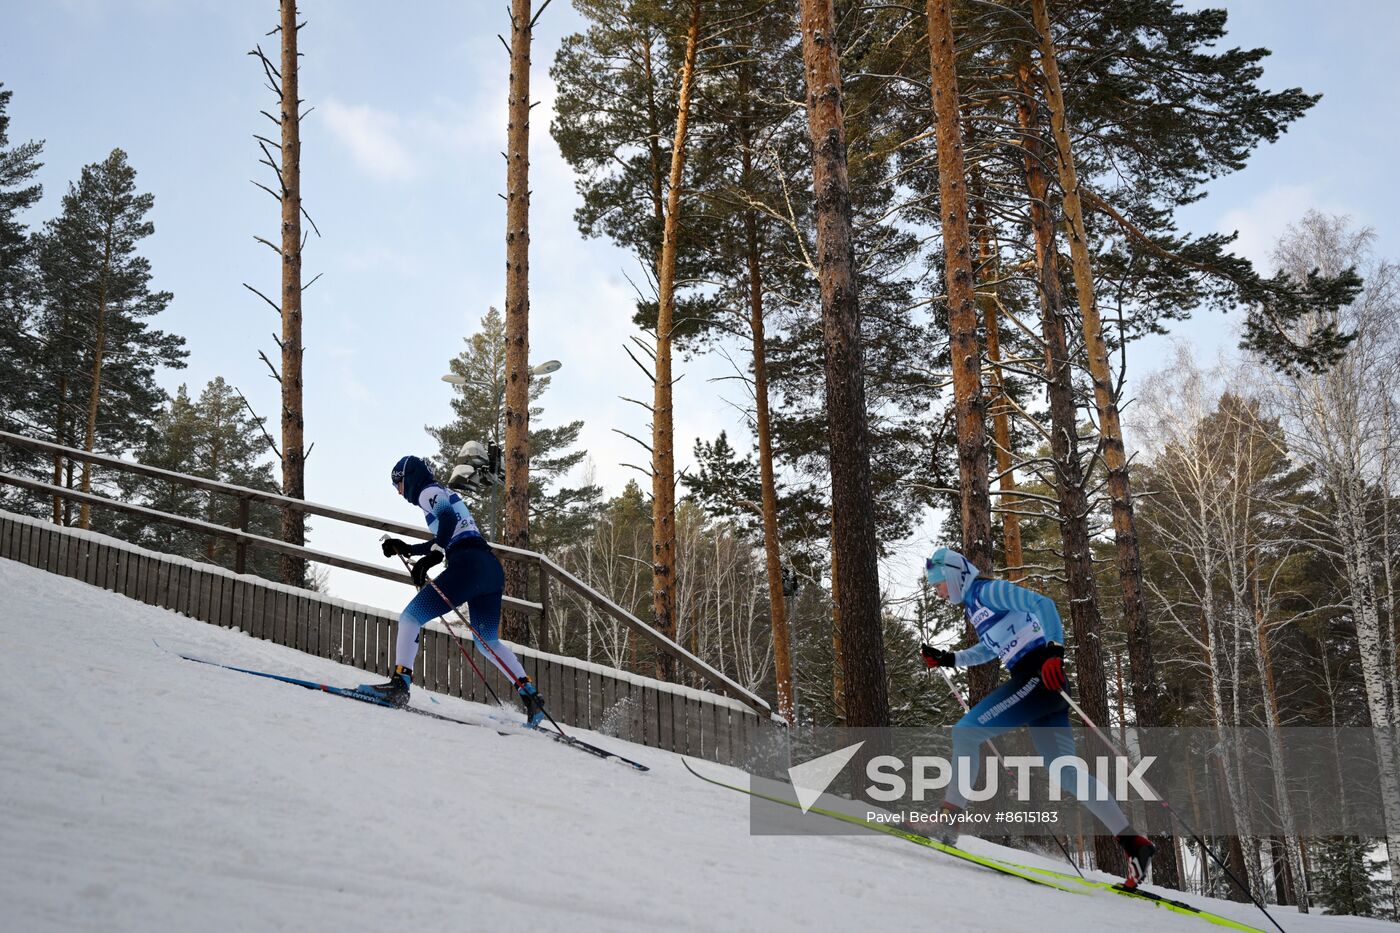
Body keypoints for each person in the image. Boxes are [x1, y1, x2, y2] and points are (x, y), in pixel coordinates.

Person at [920, 546, 1156, 883]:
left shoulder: (987, 590)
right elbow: (990, 648)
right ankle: (1134, 843)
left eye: (939, 582)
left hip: (1039, 675)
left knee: (966, 732)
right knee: (1066, 771)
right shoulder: (975, 606)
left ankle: (948, 819)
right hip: (1043, 684)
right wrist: (949, 659)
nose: (938, 591)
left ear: (955, 574)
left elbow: (1042, 604)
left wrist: (1054, 652)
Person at [361, 455, 546, 726]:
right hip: (489, 569)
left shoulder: (428, 491)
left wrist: (434, 554)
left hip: (468, 566)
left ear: (408, 478)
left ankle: (399, 686)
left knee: (410, 618)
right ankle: (530, 694)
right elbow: (450, 534)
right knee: (487, 642)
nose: (398, 492)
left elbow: (446, 521)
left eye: (397, 484)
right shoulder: (439, 492)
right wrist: (409, 549)